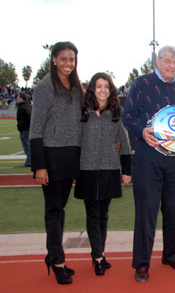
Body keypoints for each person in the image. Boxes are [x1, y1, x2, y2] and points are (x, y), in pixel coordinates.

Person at [122, 45, 175, 283]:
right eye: (168, 60)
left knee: (174, 209)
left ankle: (172, 255)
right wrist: (141, 131)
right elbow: (127, 115)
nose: (172, 65)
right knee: (146, 211)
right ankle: (141, 263)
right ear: (158, 61)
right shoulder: (140, 84)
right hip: (147, 157)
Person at [29, 41, 84, 285]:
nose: (67, 64)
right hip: (51, 156)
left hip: (71, 154)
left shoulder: (75, 85)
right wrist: (39, 165)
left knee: (60, 208)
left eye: (71, 59)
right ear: (53, 59)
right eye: (63, 59)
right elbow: (36, 127)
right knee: (53, 210)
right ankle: (57, 259)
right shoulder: (44, 86)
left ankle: (53, 254)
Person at [75, 72, 132, 275]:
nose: (102, 90)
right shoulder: (82, 112)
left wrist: (126, 170)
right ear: (92, 89)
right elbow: (76, 143)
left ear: (111, 90)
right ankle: (98, 257)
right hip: (87, 169)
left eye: (106, 87)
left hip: (109, 168)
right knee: (93, 214)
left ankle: (100, 253)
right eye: (99, 86)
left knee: (104, 214)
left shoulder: (117, 112)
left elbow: (124, 143)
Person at [16, 92, 32, 167]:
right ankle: (31, 160)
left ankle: (29, 161)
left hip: (25, 129)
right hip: (29, 128)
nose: (17, 99)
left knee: (26, 146)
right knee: (29, 145)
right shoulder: (29, 106)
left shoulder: (21, 107)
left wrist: (21, 128)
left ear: (22, 98)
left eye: (18, 97)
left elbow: (22, 120)